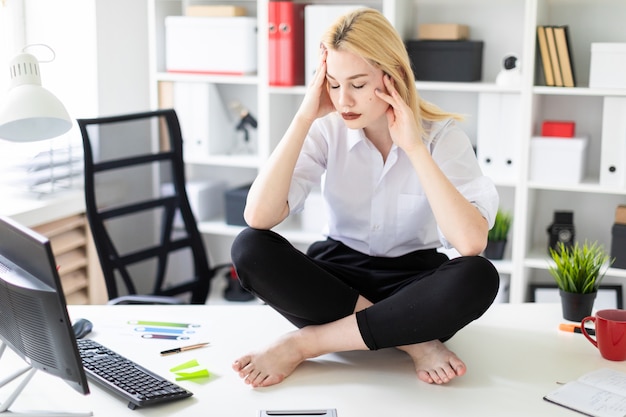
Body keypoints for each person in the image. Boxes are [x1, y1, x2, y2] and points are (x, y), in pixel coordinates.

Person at [230, 7, 500, 388]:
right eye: (334, 84)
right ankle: (414, 342)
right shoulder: (327, 128)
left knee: (479, 276)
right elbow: (258, 216)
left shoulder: (442, 136)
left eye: (357, 84)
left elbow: (471, 242)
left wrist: (414, 149)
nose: (343, 101)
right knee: (250, 247)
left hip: (412, 285)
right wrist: (304, 117)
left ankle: (309, 342)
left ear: (394, 77)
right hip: (335, 280)